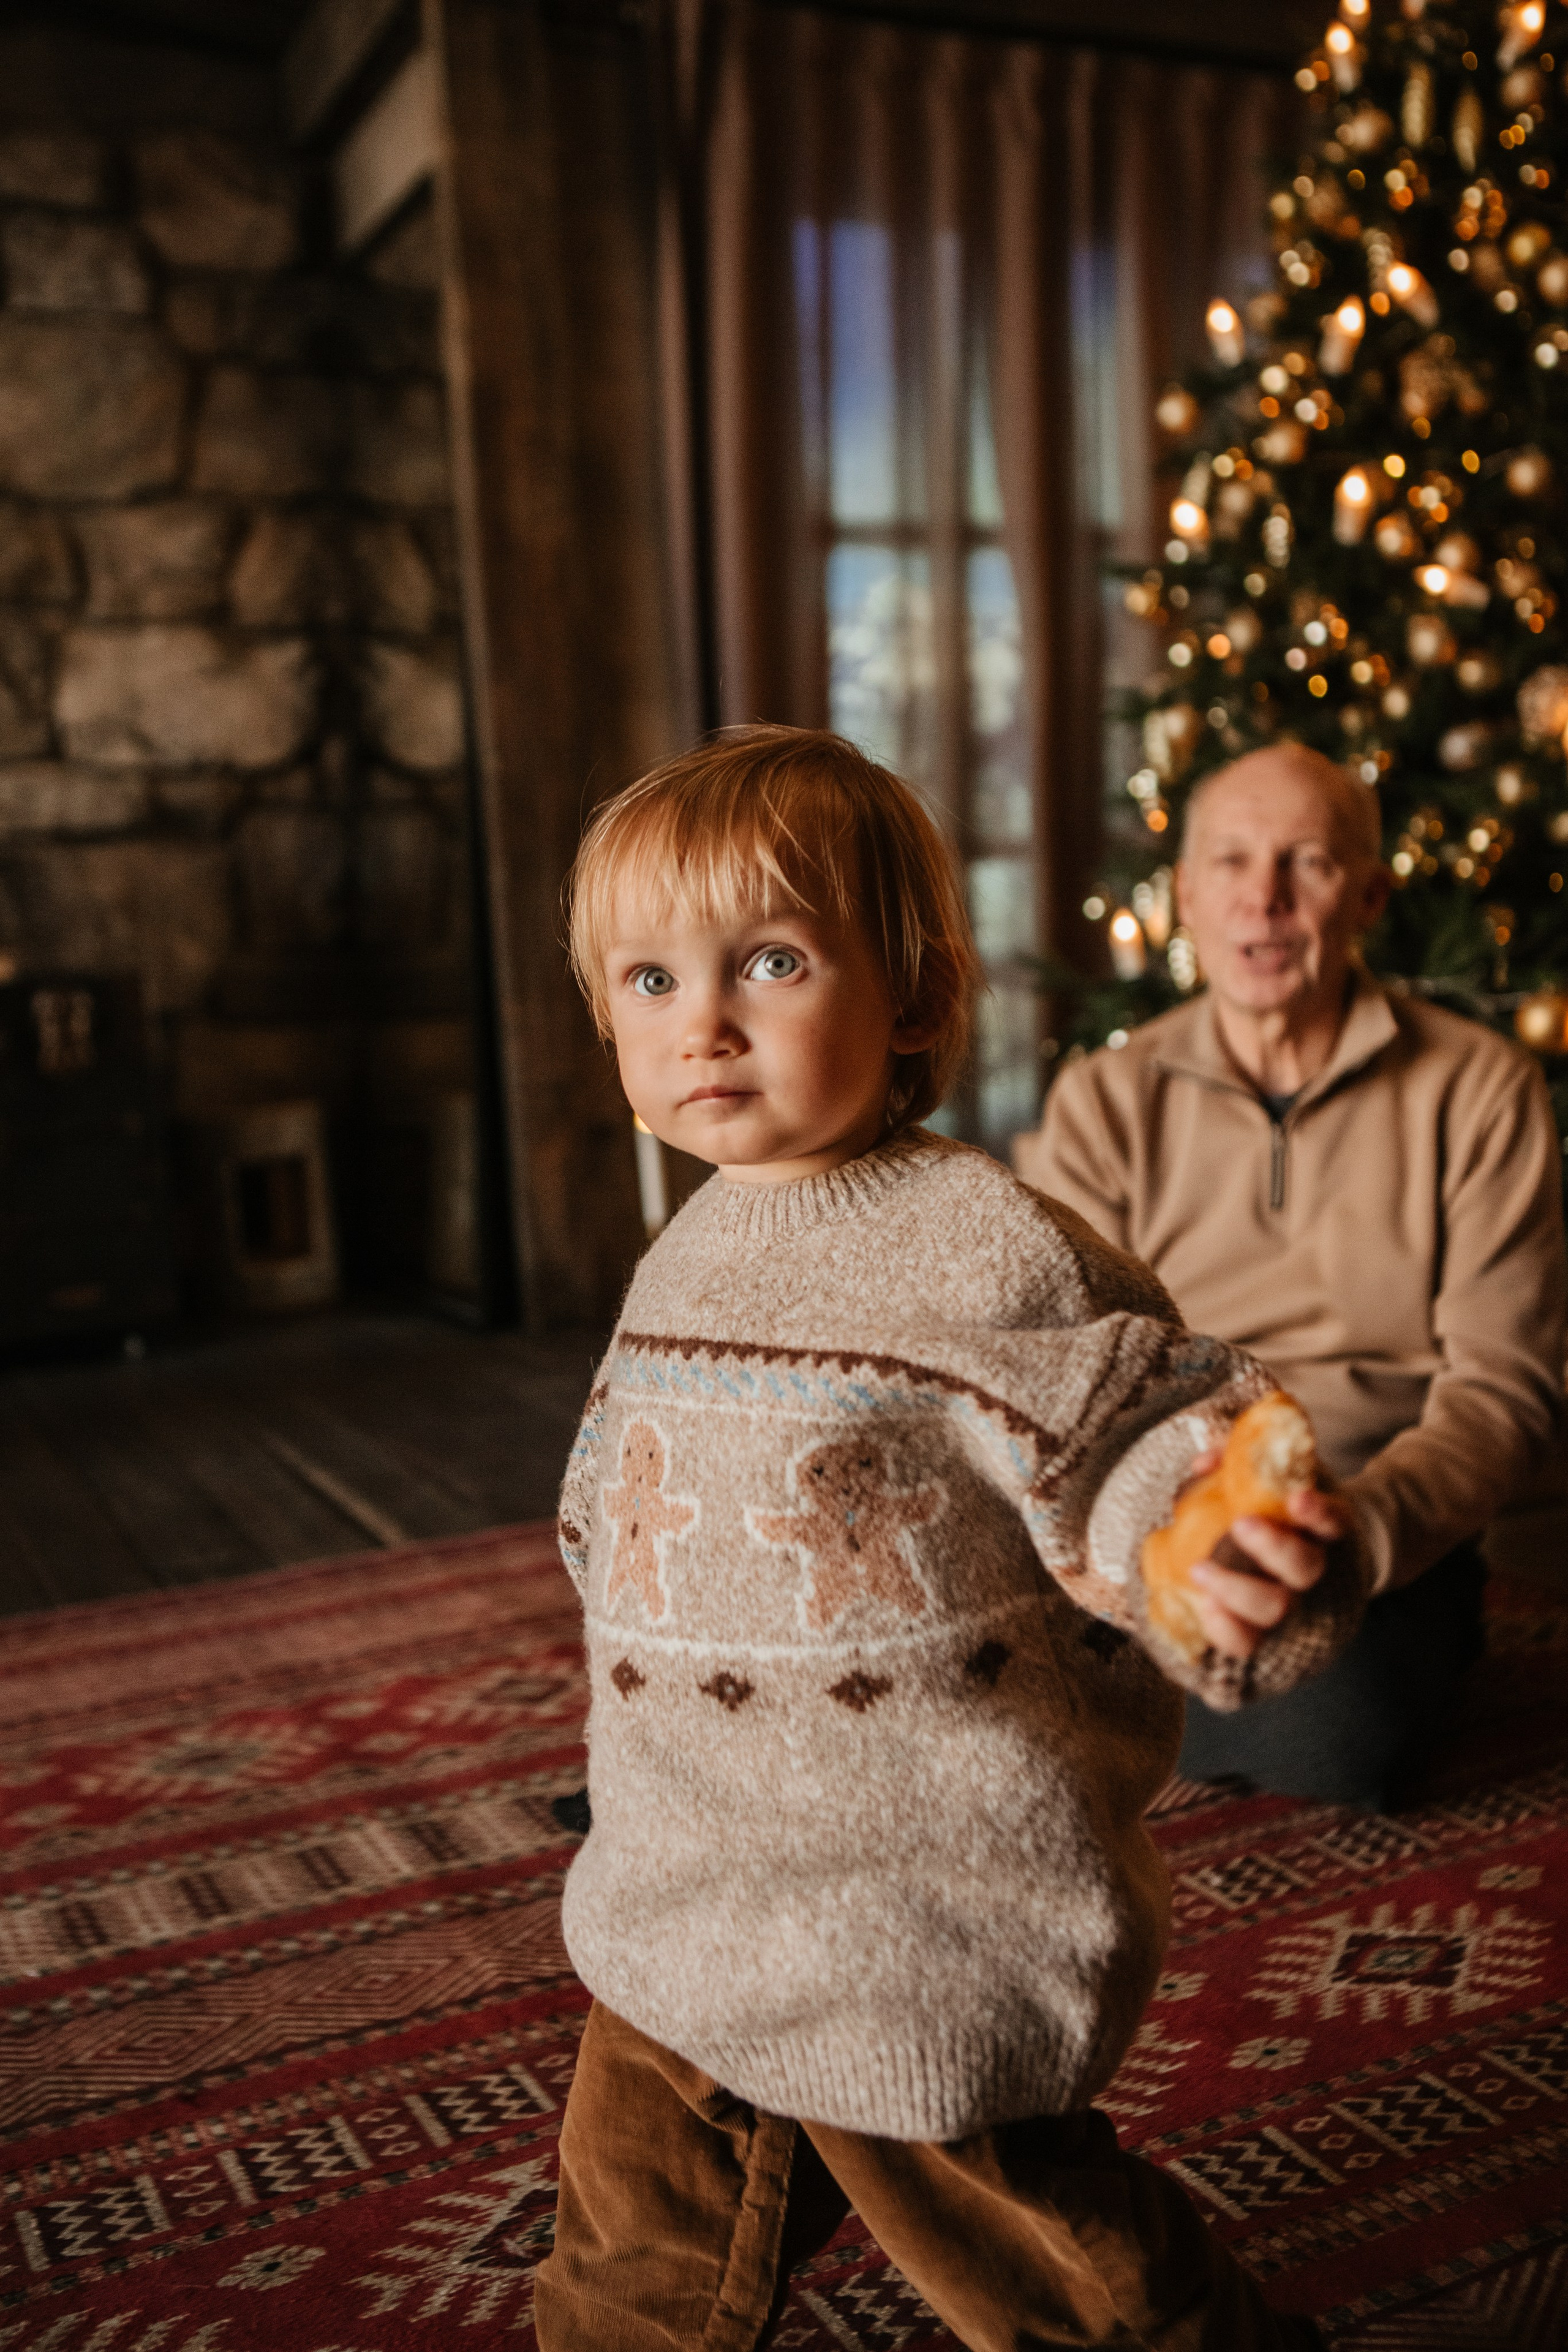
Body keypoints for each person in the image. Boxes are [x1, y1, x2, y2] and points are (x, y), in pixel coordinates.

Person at [534, 724, 1360, 2352]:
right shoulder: (692, 1242)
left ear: (907, 995)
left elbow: (1133, 1419)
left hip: (912, 1904)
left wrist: (1196, 1534)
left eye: (767, 960)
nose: (700, 1022)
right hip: (680, 1879)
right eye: (648, 980)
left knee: (1047, 2264)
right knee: (629, 2239)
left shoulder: (987, 1251)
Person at [1016, 744, 1567, 1812]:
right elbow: (1063, 1369)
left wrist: (1362, 1532)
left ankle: (1074, 1713)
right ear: (1184, 896)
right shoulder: (1104, 1101)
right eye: (1228, 863)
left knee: (1343, 1736)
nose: (1261, 900)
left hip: (1370, 1527)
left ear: (1367, 896)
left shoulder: (1479, 1089)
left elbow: (1504, 1390)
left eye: (1304, 864)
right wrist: (1155, 1528)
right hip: (1150, 1518)